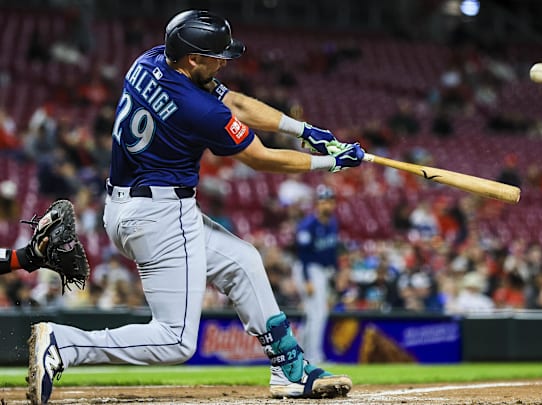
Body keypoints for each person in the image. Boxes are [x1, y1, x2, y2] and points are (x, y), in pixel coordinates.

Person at [26, 10, 363, 404]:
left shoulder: (148, 60)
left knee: (244, 263)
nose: (223, 62)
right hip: (160, 216)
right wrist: (330, 163)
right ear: (191, 59)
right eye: (215, 56)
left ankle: (289, 369)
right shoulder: (197, 109)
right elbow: (259, 157)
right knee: (175, 340)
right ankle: (64, 345)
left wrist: (305, 132)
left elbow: (235, 102)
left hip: (128, 206)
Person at [292, 185, 340, 363]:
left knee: (314, 315)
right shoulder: (308, 225)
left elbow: (332, 253)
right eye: (322, 201)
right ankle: (314, 357)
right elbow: (302, 255)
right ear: (317, 204)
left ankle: (300, 356)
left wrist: (336, 274)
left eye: (329, 201)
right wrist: (307, 280)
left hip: (322, 272)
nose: (326, 205)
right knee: (317, 314)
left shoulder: (333, 223)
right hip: (308, 270)